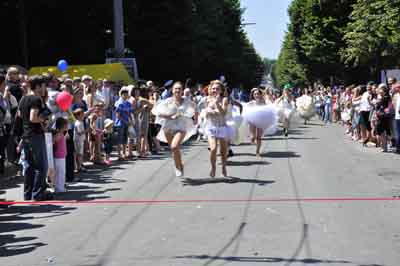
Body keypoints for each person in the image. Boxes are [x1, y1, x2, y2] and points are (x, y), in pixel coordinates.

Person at [18, 75, 52, 201]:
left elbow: (21, 116)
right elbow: (33, 117)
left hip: (26, 135)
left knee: (29, 166)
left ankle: (28, 194)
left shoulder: (23, 99)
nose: (44, 88)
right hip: (35, 135)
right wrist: (44, 120)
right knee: (41, 166)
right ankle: (37, 193)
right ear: (37, 86)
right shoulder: (36, 99)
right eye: (43, 85)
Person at [152, 81, 196, 177]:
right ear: (172, 90)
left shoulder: (186, 101)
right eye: (176, 88)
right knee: (174, 149)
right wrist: (170, 116)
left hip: (181, 126)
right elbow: (157, 112)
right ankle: (179, 165)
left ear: (182, 90)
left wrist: (193, 118)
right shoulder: (167, 101)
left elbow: (193, 110)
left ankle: (177, 166)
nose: (177, 90)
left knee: (174, 146)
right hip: (168, 126)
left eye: (179, 88)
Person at [204, 80, 234, 178]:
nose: (215, 90)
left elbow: (223, 113)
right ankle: (213, 168)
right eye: (213, 88)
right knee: (213, 149)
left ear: (221, 90)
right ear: (210, 89)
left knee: (223, 150)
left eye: (217, 88)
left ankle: (224, 167)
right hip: (211, 127)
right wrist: (212, 112)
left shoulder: (224, 99)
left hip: (222, 127)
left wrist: (216, 104)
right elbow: (206, 114)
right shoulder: (207, 99)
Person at [243, 88, 277, 157]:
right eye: (255, 94)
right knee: (253, 137)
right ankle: (253, 139)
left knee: (259, 137)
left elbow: (267, 110)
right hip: (252, 120)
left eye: (258, 94)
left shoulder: (263, 102)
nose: (256, 95)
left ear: (260, 95)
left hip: (261, 120)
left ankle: (257, 152)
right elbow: (245, 108)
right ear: (253, 95)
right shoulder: (251, 102)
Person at [114, 87, 133, 160]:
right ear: (121, 95)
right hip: (120, 124)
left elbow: (130, 113)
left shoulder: (128, 103)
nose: (125, 96)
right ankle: (119, 154)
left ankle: (124, 153)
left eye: (126, 94)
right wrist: (126, 121)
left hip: (127, 123)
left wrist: (131, 121)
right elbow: (117, 115)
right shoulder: (119, 103)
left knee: (125, 139)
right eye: (124, 94)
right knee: (119, 139)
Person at [52, 117, 68, 193]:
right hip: (59, 156)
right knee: (60, 172)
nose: (67, 126)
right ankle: (59, 188)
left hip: (60, 155)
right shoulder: (59, 133)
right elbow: (54, 141)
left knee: (60, 172)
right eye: (66, 125)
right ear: (63, 126)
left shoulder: (60, 133)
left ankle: (59, 187)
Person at [73, 108, 85, 173]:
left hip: (80, 140)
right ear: (78, 116)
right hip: (78, 140)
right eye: (82, 114)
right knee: (79, 154)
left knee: (80, 153)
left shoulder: (80, 122)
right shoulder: (78, 123)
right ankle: (79, 166)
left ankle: (79, 166)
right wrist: (86, 130)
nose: (83, 115)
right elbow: (79, 132)